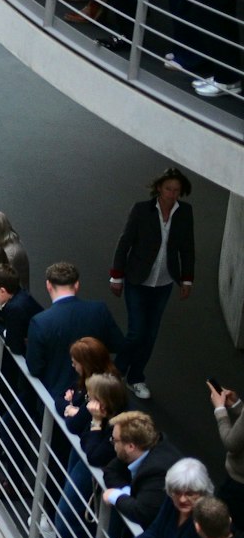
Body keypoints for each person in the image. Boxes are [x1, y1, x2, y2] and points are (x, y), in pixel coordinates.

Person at [108, 168, 195, 399]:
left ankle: (136, 378)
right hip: (138, 279)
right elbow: (124, 242)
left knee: (150, 335)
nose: (172, 194)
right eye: (168, 189)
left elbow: (187, 248)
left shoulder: (185, 213)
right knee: (137, 332)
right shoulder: (141, 210)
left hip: (164, 282)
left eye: (177, 190)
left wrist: (187, 279)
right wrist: (116, 276)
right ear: (159, 188)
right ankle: (115, 373)